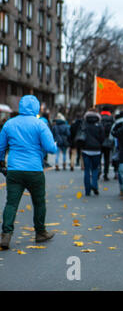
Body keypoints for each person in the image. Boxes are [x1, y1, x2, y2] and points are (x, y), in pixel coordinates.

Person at [0, 95, 58, 250]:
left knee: (11, 203)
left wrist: (1, 163)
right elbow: (50, 148)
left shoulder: (9, 124)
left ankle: (6, 235)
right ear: (37, 108)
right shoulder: (40, 125)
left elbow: (0, 147)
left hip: (14, 170)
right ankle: (40, 233)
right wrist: (53, 145)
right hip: (34, 170)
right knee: (39, 202)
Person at [81, 108, 105, 196]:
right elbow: (102, 138)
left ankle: (87, 190)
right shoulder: (99, 125)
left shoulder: (84, 124)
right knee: (95, 169)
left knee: (86, 170)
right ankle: (94, 184)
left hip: (85, 149)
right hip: (96, 150)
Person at [100, 106, 115, 181]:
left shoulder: (99, 117)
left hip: (99, 141)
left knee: (99, 157)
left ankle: (98, 171)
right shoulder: (111, 118)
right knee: (107, 158)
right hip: (108, 140)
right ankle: (106, 174)